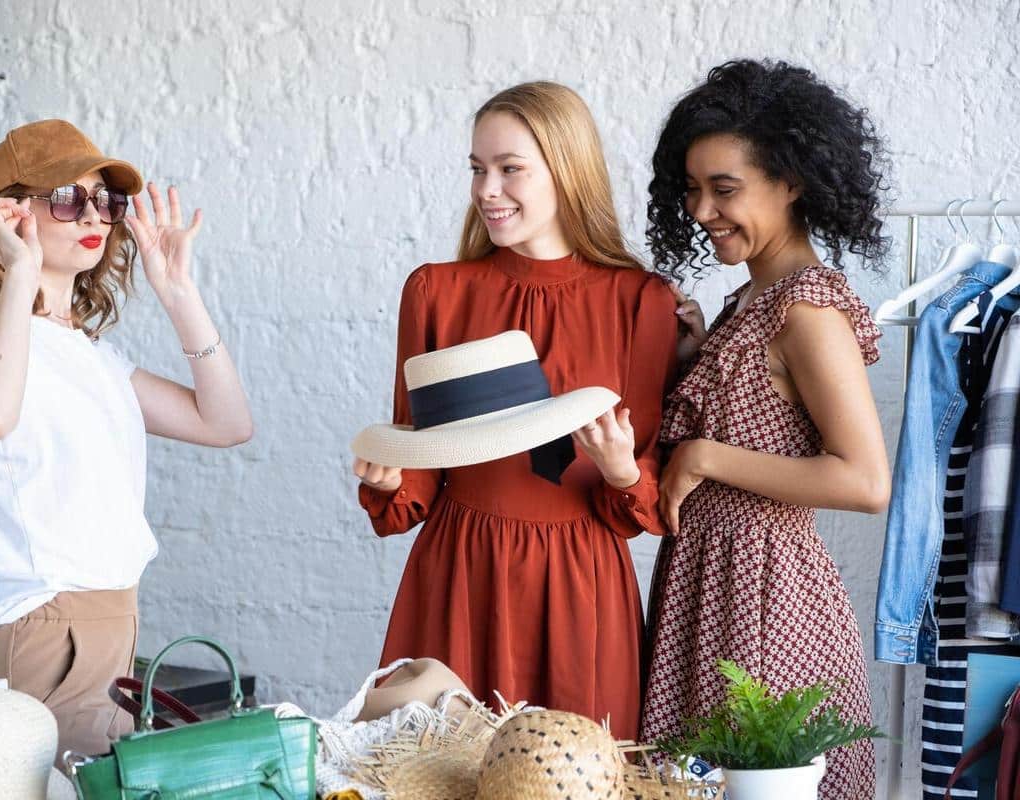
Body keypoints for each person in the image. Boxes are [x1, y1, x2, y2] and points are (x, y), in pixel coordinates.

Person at [353, 82, 678, 738]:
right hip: (462, 572)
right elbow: (418, 466)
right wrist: (388, 481)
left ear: (566, 170)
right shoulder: (436, 291)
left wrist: (621, 470)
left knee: (575, 772)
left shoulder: (641, 302)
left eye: (510, 169)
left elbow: (641, 497)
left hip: (580, 583)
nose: (487, 190)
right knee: (440, 767)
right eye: (478, 169)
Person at [0, 119, 253, 758]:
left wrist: (178, 293)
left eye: (106, 200)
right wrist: (20, 269)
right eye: (65, 198)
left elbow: (226, 423)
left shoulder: (93, 355)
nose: (94, 215)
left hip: (110, 623)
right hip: (40, 626)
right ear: (10, 212)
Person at [641, 60, 892, 799]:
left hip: (764, 604)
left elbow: (864, 480)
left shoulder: (806, 310)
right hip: (707, 593)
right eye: (692, 189)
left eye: (724, 189)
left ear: (791, 183)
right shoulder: (752, 300)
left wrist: (705, 455)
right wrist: (694, 356)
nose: (701, 210)